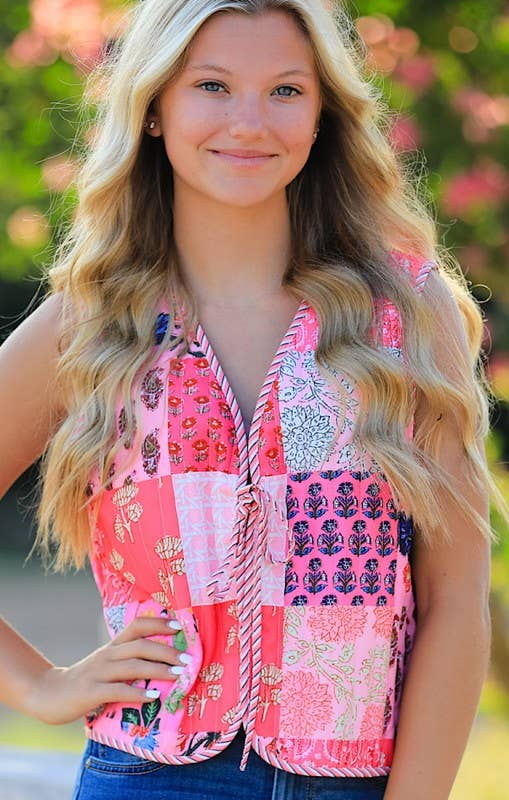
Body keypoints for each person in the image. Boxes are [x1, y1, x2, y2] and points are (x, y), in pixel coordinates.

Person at [0, 1, 506, 798]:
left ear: (321, 115)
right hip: (150, 776)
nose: (249, 122)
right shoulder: (93, 323)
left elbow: (455, 598)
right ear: (156, 109)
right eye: (211, 85)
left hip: (356, 780)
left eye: (284, 91)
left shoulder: (405, 314)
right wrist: (38, 686)